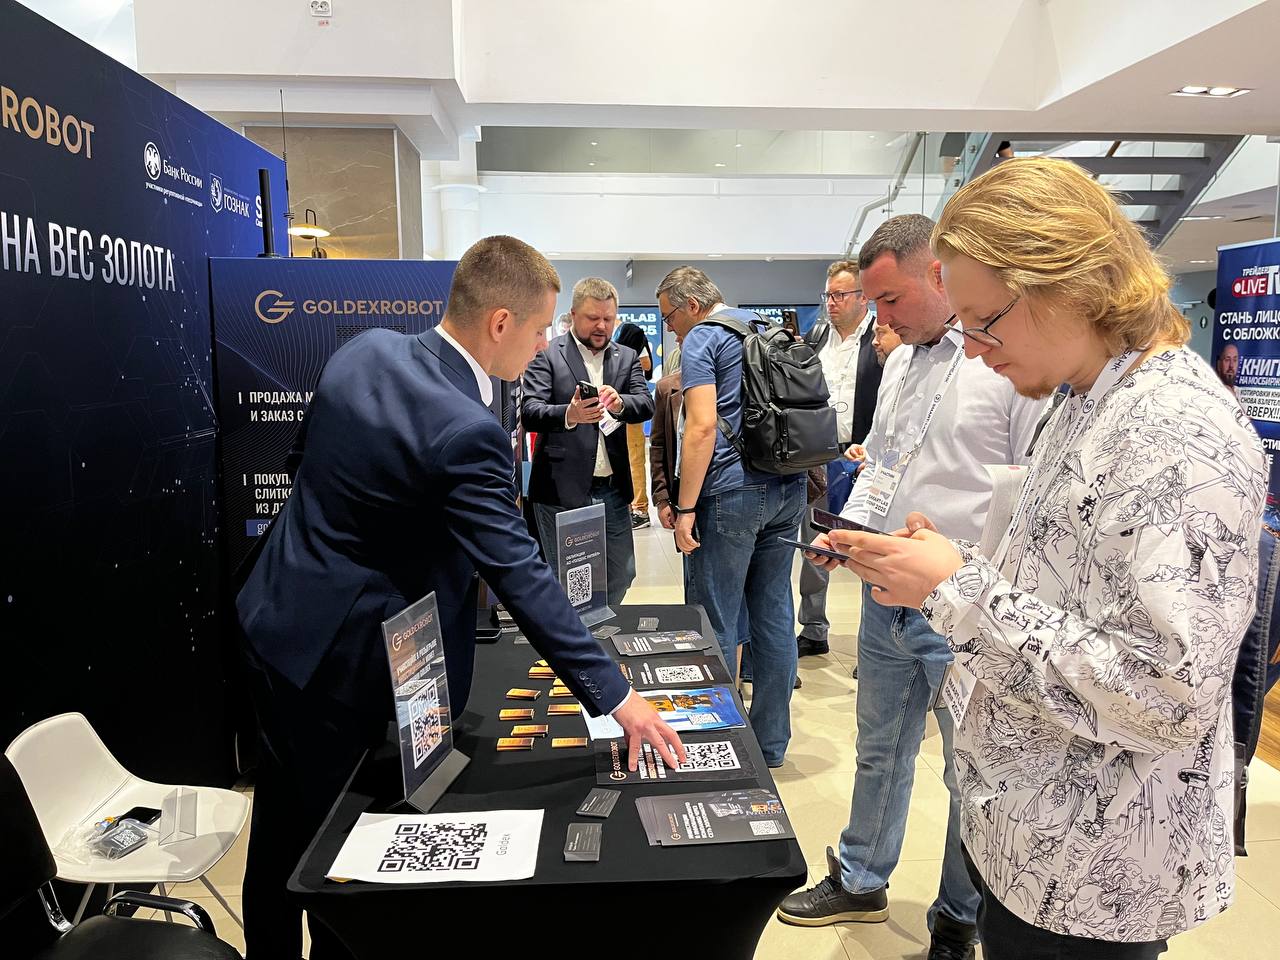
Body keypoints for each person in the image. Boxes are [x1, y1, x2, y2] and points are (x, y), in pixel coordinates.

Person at [826, 156, 1266, 959]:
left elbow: (1163, 694)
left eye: (985, 320)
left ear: (1064, 285)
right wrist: (949, 560)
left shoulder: (1173, 431)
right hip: (1033, 837)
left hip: (1092, 866)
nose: (974, 349)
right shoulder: (1085, 398)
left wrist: (955, 588)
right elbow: (1060, 582)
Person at [236, 238, 684, 960]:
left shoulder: (365, 349)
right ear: (500, 323)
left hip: (274, 617)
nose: (543, 345)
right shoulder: (465, 427)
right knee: (334, 862)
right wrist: (617, 697)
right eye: (539, 329)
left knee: (280, 830)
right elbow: (518, 572)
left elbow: (304, 465)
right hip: (340, 662)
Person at [777, 214, 1045, 960]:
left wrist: (975, 583)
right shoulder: (897, 364)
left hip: (968, 605)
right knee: (879, 747)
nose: (880, 318)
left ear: (938, 275)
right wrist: (851, 532)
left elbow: (1028, 497)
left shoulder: (1005, 365)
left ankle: (959, 917)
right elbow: (883, 463)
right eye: (873, 303)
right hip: (885, 592)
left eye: (890, 299)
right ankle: (861, 876)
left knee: (969, 769)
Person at [658, 266, 807, 767]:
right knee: (774, 614)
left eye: (670, 317)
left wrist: (685, 508)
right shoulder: (765, 327)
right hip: (788, 487)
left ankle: (721, 742)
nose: (671, 329)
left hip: (731, 492)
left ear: (692, 305)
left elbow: (702, 427)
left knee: (715, 617)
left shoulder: (705, 337)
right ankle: (771, 743)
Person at [522, 278, 653, 608]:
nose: (602, 326)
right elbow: (530, 411)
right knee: (567, 580)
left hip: (612, 489)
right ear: (573, 315)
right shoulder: (548, 354)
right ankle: (575, 635)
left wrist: (620, 403)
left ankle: (597, 624)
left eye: (608, 319)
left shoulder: (625, 357)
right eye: (593, 318)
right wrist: (570, 414)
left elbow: (645, 404)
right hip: (561, 489)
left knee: (622, 572)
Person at [793, 260, 885, 657]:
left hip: (863, 455)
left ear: (864, 298)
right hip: (819, 457)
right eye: (828, 295)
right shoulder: (816, 338)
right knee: (816, 543)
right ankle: (813, 628)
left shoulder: (882, 337)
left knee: (869, 548)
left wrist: (872, 448)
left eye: (840, 295)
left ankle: (875, 643)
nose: (831, 302)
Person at [615, 319, 655, 528]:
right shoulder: (613, 335)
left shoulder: (630, 332)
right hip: (613, 407)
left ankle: (640, 509)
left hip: (630, 404)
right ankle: (630, 506)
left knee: (634, 458)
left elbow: (647, 364)